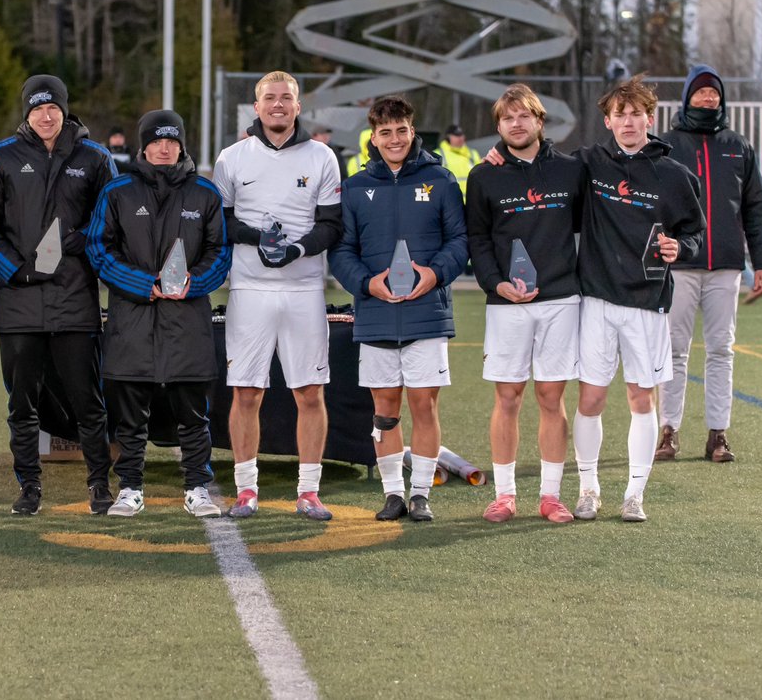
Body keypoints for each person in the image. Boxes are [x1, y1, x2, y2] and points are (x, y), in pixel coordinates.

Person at [0, 75, 117, 515]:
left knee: (87, 400)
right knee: (22, 404)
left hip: (75, 299)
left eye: (52, 107)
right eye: (37, 109)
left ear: (64, 109)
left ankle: (98, 484)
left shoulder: (94, 157)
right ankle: (29, 487)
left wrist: (80, 241)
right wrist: (17, 271)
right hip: (19, 302)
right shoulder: (2, 156)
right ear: (27, 113)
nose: (45, 115)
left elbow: (113, 216)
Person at [569, 76, 704, 522]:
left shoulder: (674, 174)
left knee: (640, 398)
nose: (628, 121)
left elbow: (695, 234)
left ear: (651, 117)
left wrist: (679, 249)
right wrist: (501, 156)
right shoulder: (588, 163)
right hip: (597, 300)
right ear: (607, 121)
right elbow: (541, 168)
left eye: (636, 113)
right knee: (591, 398)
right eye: (619, 114)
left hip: (647, 303)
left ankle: (634, 494)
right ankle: (588, 488)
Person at [86, 109, 232, 518]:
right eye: (156, 141)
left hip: (187, 321)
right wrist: (140, 284)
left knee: (193, 415)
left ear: (182, 145)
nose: (164, 148)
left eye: (172, 140)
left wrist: (194, 283)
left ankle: (198, 487)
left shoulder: (204, 193)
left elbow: (220, 252)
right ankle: (130, 487)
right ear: (143, 145)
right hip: (132, 321)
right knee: (130, 419)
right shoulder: (117, 192)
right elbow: (99, 249)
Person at [211, 70, 343, 521]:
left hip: (304, 288)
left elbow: (331, 224)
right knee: (246, 392)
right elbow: (222, 222)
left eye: (286, 98)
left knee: (310, 391)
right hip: (249, 289)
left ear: (298, 106)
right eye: (270, 98)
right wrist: (257, 237)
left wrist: (297, 249)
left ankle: (309, 491)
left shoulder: (322, 156)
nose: (278, 105)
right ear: (257, 105)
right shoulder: (232, 157)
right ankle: (246, 490)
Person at [330, 95, 466, 522]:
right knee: (384, 409)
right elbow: (341, 251)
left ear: (412, 130)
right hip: (376, 313)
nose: (394, 139)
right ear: (374, 136)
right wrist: (367, 283)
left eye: (401, 130)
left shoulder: (441, 180)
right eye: (385, 132)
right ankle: (393, 493)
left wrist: (436, 274)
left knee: (424, 404)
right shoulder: (354, 187)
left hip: (427, 311)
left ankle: (421, 493)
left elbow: (459, 241)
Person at [466, 84, 584, 524]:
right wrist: (496, 285)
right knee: (508, 396)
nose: (516, 124)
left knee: (551, 396)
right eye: (507, 118)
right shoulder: (484, 176)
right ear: (499, 127)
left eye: (524, 116)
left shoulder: (572, 170)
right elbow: (477, 239)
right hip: (506, 305)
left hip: (560, 299)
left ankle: (551, 497)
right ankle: (505, 495)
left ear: (539, 121)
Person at [656, 66, 762, 463]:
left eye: (714, 93)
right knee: (673, 350)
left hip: (725, 266)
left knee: (722, 349)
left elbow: (756, 208)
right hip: (681, 266)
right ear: (687, 97)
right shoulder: (666, 143)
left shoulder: (738, 145)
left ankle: (717, 435)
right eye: (701, 92)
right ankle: (668, 431)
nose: (708, 99)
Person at [437, 124, 481, 199]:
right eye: (456, 135)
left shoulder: (473, 154)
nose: (460, 138)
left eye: (461, 135)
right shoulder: (438, 154)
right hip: (451, 203)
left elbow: (481, 178)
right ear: (448, 137)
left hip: (472, 203)